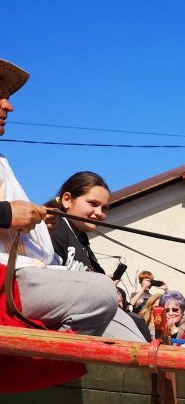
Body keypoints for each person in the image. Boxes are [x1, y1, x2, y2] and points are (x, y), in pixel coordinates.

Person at [0, 61, 143, 342]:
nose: (9, 106)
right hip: (8, 281)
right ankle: (49, 357)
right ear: (67, 199)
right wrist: (7, 213)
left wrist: (38, 228)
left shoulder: (2, 161)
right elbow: (8, 215)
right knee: (100, 291)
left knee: (130, 332)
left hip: (26, 275)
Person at [47, 172, 110, 274]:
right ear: (67, 200)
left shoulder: (83, 242)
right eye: (93, 203)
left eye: (104, 208)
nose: (99, 213)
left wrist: (105, 281)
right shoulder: (53, 227)